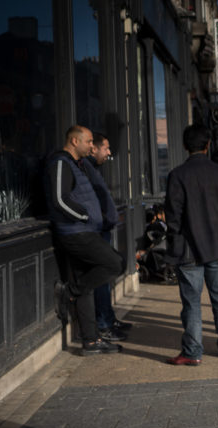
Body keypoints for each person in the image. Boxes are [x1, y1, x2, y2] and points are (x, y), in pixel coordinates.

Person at [44, 125, 125, 354]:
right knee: (115, 263)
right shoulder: (60, 162)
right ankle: (70, 292)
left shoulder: (78, 165)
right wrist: (84, 216)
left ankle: (90, 341)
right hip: (75, 233)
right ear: (74, 141)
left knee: (86, 282)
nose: (92, 146)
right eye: (89, 141)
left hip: (84, 231)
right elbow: (60, 199)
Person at [164, 124, 218, 365]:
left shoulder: (177, 175)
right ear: (207, 146)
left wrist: (176, 237)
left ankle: (192, 352)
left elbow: (173, 214)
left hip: (188, 250)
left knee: (192, 303)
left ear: (185, 146)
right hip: (217, 246)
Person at [85, 132, 133, 342]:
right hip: (95, 231)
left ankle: (108, 319)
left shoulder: (92, 169)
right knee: (102, 278)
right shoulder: (85, 168)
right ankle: (104, 324)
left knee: (106, 278)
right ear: (93, 148)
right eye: (106, 148)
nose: (109, 152)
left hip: (101, 229)